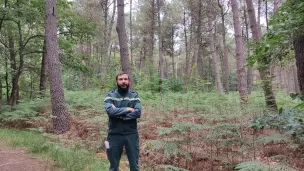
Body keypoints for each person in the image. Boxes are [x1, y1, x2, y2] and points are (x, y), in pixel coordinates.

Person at [104, 71, 142, 171]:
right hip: (114, 134)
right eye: (120, 79)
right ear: (117, 81)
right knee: (113, 167)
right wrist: (128, 109)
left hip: (131, 134)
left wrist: (120, 116)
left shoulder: (134, 95)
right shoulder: (110, 95)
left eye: (125, 79)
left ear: (129, 81)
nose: (123, 81)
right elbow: (110, 111)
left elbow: (138, 112)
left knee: (134, 166)